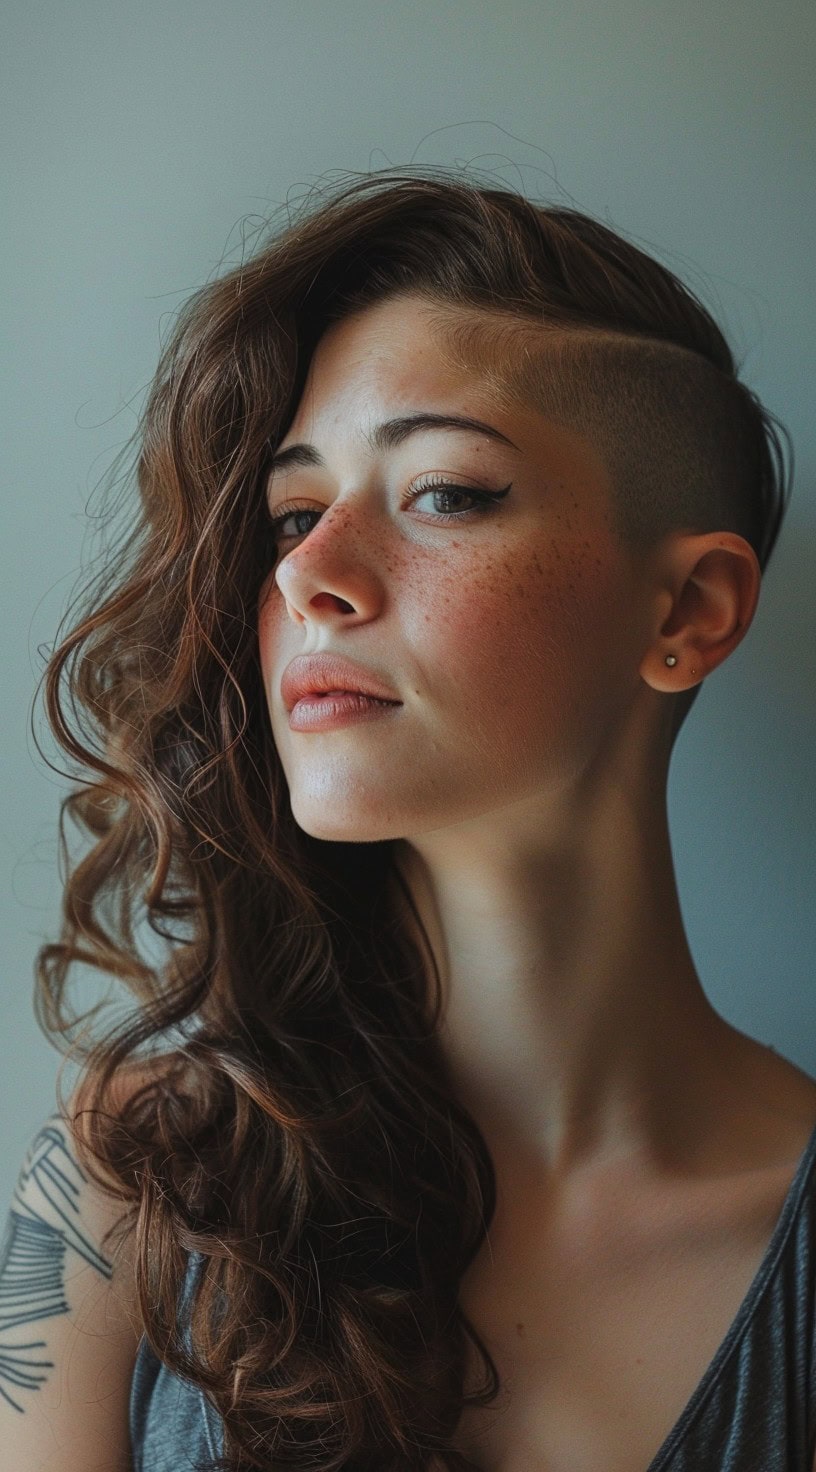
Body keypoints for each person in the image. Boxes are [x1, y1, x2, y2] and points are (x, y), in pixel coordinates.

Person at [2, 168, 814, 1472]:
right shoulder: (108, 1187)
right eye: (289, 513)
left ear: (688, 615)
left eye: (443, 492)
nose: (309, 576)